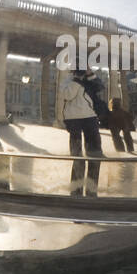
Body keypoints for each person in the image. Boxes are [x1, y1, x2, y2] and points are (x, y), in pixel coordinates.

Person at [56, 68, 103, 196]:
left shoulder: (90, 79)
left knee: (95, 155)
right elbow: (67, 95)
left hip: (90, 118)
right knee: (77, 157)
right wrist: (76, 80)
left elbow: (100, 87)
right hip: (73, 119)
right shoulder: (68, 80)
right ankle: (76, 191)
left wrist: (90, 75)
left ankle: (91, 191)